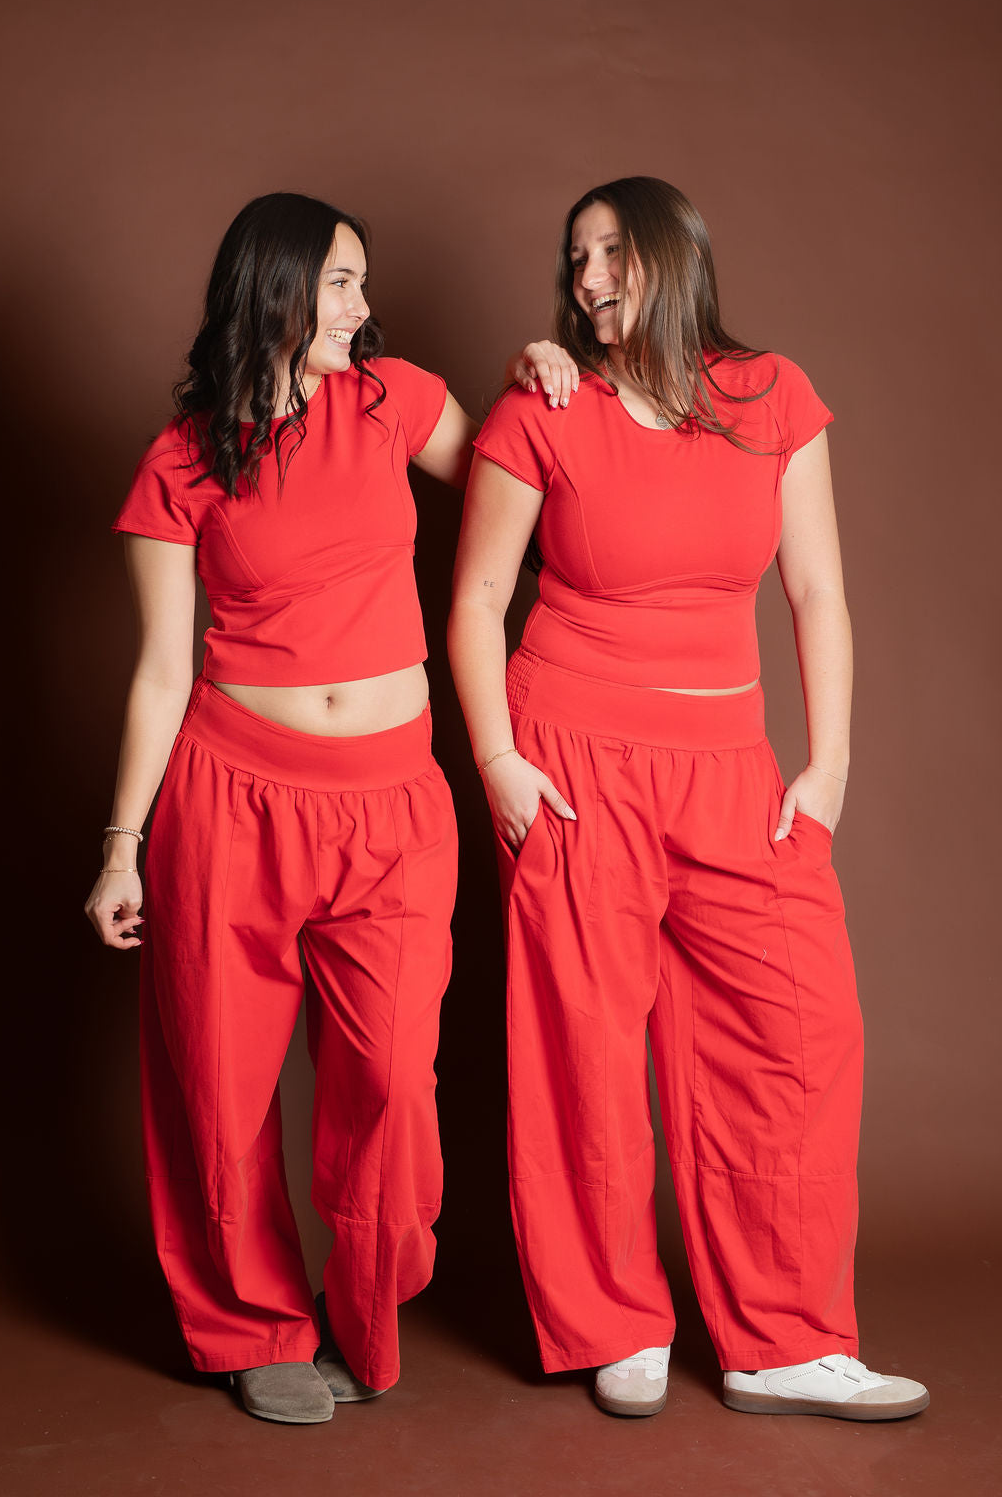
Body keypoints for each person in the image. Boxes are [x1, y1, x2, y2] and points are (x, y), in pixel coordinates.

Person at [84, 192, 577, 1425]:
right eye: (341, 282)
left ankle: (364, 1306)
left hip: (393, 804)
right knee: (220, 1084)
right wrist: (121, 848)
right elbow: (159, 671)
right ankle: (253, 1327)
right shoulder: (182, 460)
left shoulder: (392, 400)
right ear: (277, 289)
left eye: (362, 282)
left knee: (393, 1085)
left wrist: (538, 381)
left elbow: (522, 484)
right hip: (231, 799)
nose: (362, 305)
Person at [448, 176, 928, 1421]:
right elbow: (475, 601)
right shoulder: (544, 404)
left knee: (796, 1035)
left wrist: (826, 767)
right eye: (576, 257)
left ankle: (784, 1340)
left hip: (731, 765)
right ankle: (614, 1320)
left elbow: (816, 592)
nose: (588, 276)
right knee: (585, 1046)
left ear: (674, 256)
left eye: (612, 250)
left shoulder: (773, 396)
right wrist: (498, 762)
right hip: (571, 759)